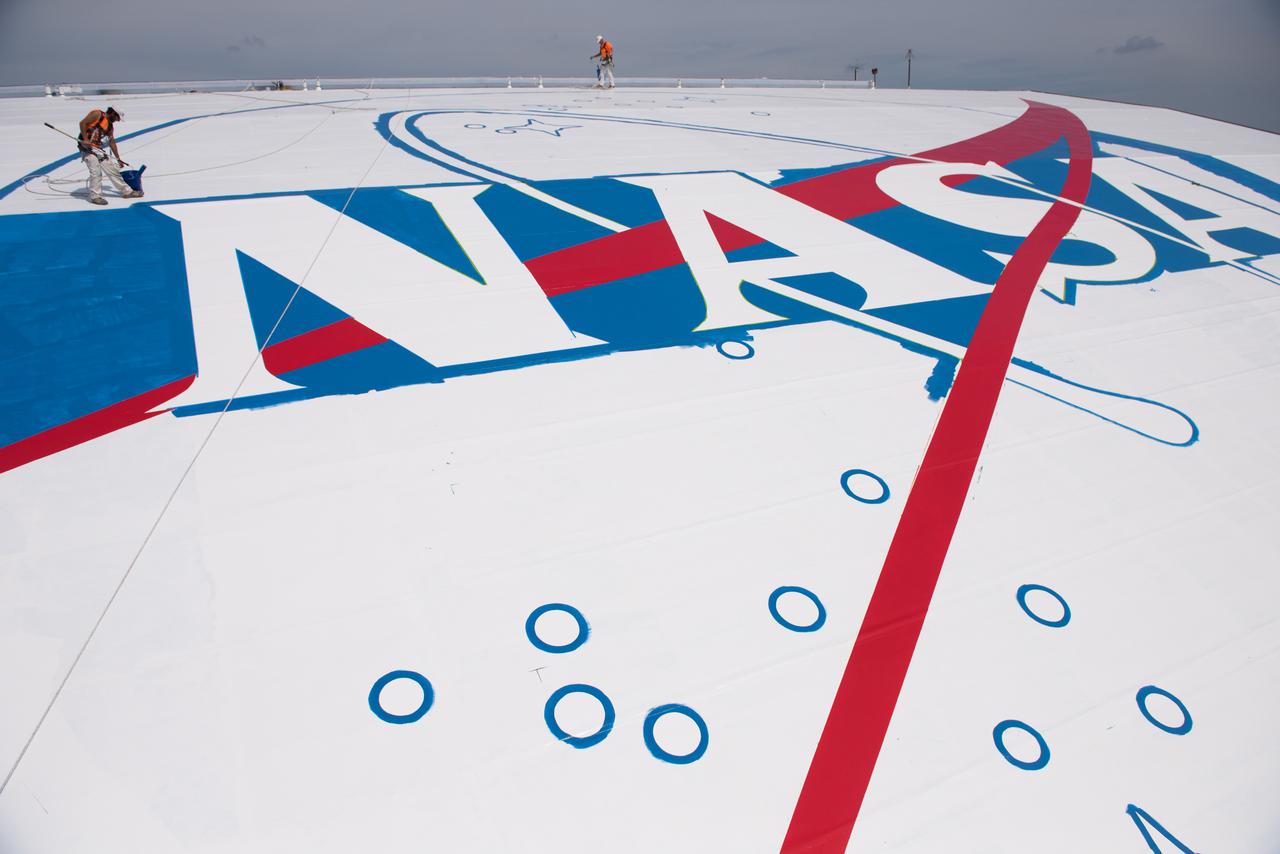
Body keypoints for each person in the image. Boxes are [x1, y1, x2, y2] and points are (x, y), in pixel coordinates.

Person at [78, 106, 141, 206]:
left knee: (112, 169)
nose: (117, 121)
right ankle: (95, 196)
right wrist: (85, 139)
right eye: (117, 118)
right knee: (96, 172)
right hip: (87, 149)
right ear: (113, 113)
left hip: (97, 149)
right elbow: (82, 123)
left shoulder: (110, 127)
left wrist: (118, 159)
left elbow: (112, 142)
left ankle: (127, 191)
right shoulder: (97, 114)